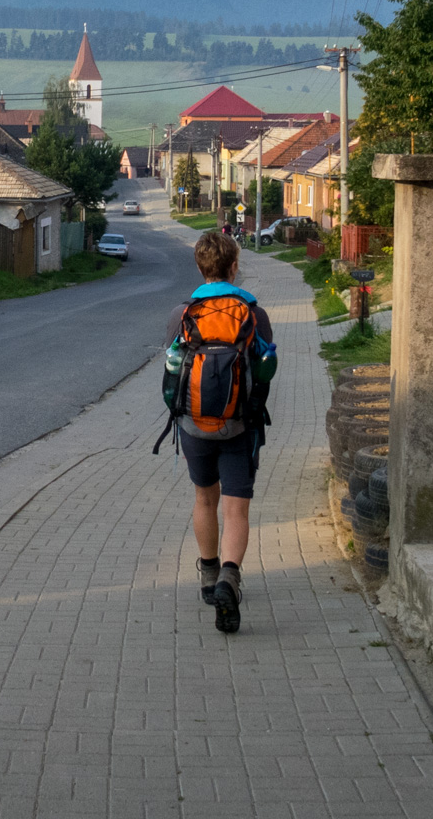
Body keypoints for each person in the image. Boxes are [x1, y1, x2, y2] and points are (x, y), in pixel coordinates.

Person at [158, 229, 275, 633]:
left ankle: (208, 577)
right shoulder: (254, 314)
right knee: (236, 508)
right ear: (235, 266)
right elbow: (264, 373)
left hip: (193, 425)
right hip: (240, 426)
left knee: (205, 499)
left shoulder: (183, 313)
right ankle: (230, 577)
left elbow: (172, 370)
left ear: (199, 266)